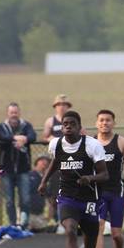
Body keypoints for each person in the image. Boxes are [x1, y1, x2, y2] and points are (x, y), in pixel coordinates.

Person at [38, 110, 108, 248]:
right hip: (67, 198)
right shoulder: (55, 144)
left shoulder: (92, 145)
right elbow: (56, 162)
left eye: (72, 124)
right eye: (65, 124)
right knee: (69, 230)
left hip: (90, 200)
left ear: (79, 127)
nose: (68, 127)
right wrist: (44, 181)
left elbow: (104, 174)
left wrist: (90, 178)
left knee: (90, 245)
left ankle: (89, 242)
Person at [92, 110, 124, 248]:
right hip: (98, 192)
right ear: (97, 123)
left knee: (117, 234)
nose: (104, 123)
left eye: (108, 120)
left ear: (113, 123)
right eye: (101, 120)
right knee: (99, 227)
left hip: (117, 190)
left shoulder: (122, 142)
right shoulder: (91, 143)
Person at [41, 94, 79, 233]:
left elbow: (82, 135)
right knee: (57, 193)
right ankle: (60, 222)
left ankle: (75, 221)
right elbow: (45, 136)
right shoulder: (50, 121)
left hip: (73, 162)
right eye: (59, 105)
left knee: (74, 191)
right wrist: (57, 140)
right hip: (57, 163)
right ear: (55, 106)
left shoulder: (74, 121)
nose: (62, 107)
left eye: (65, 105)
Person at [0, 102, 37, 228]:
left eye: (16, 112)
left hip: (23, 169)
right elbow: (0, 137)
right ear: (8, 113)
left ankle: (23, 224)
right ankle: (13, 224)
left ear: (19, 113)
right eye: (11, 112)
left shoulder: (26, 125)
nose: (14, 115)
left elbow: (33, 136)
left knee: (25, 199)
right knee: (9, 201)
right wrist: (16, 139)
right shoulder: (2, 126)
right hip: (6, 170)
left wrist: (25, 139)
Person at [28, 156, 50, 231]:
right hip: (29, 211)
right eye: (42, 161)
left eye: (46, 163)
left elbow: (48, 195)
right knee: (29, 227)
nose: (44, 163)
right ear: (37, 162)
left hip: (40, 212)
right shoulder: (30, 175)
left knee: (42, 228)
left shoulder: (45, 178)